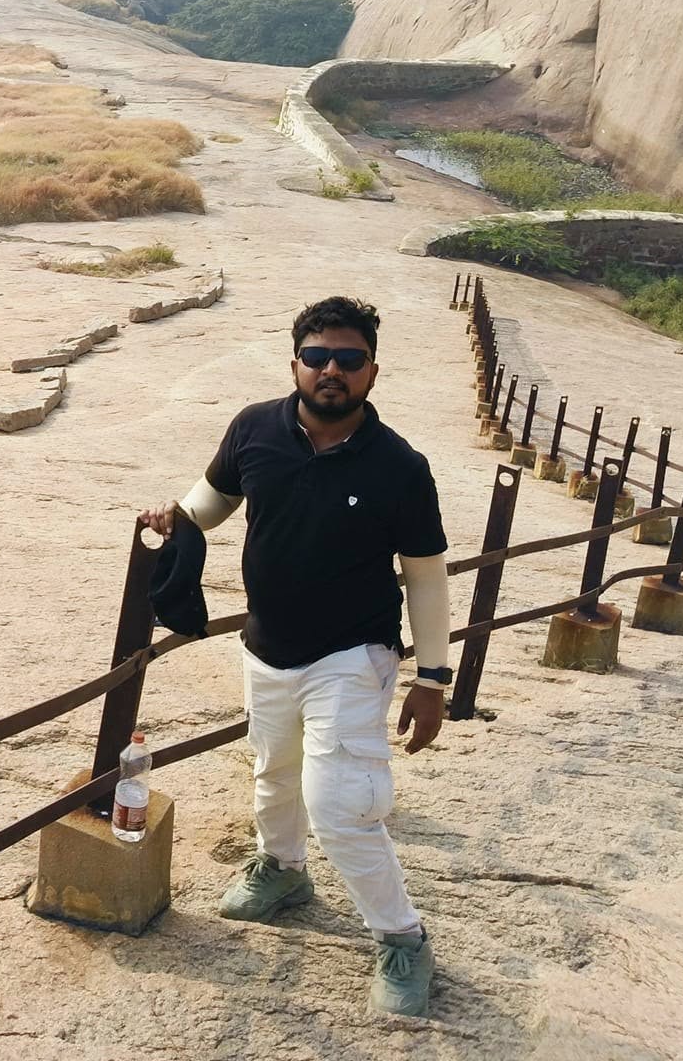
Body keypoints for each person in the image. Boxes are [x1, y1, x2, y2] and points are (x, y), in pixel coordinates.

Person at [138, 295, 450, 1017]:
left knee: (339, 803)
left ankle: (403, 939)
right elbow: (210, 502)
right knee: (273, 773)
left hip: (354, 654)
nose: (331, 370)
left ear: (372, 372)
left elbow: (426, 574)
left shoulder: (400, 466)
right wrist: (174, 516)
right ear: (296, 365)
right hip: (267, 647)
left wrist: (433, 678)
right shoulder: (254, 429)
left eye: (349, 358)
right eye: (317, 357)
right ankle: (282, 869)